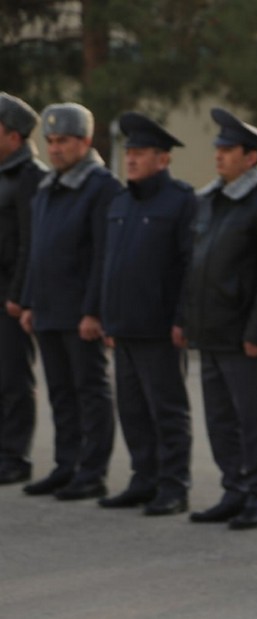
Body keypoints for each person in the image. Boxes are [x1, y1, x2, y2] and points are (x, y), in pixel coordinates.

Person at [181, 108, 257, 530]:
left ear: (251, 156)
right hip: (210, 330)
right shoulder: (209, 199)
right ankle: (234, 490)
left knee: (251, 422)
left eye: (228, 150)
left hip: (242, 333)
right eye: (218, 149)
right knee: (220, 420)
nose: (219, 157)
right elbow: (195, 265)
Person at [20, 102, 120, 500]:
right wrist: (28, 301)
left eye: (63, 141)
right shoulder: (47, 187)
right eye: (50, 141)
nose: (55, 149)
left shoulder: (102, 187)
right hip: (47, 307)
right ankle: (66, 465)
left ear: (86, 141)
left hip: (80, 312)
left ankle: (91, 471)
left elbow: (103, 255)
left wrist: (94, 310)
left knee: (90, 391)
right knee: (61, 392)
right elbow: (36, 250)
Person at [98, 112, 195, 516]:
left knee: (167, 411)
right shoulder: (120, 201)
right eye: (129, 153)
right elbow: (109, 264)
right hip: (124, 325)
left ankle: (173, 485)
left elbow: (190, 266)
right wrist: (106, 315)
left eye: (141, 153)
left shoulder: (181, 201)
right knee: (133, 410)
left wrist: (182, 318)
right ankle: (144, 478)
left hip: (159, 327)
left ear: (163, 159)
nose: (132, 160)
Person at [0, 93, 47, 485]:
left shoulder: (30, 177)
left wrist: (19, 296)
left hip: (9, 297)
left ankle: (15, 457)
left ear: (13, 136)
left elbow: (30, 244)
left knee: (14, 379)